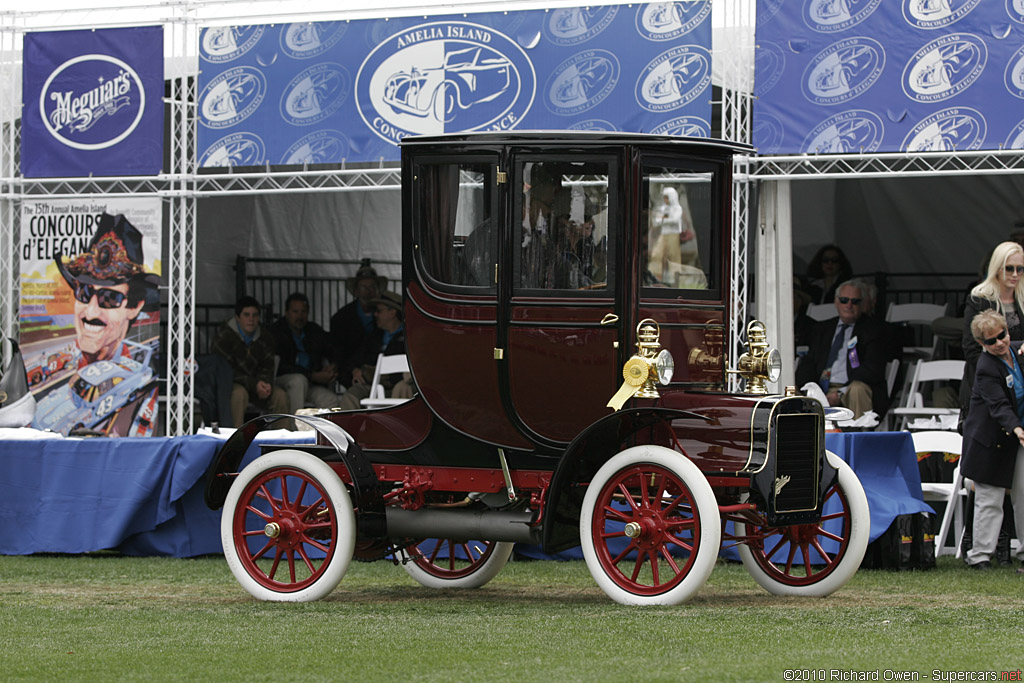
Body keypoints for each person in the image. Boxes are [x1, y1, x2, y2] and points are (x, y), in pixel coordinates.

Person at [959, 310, 1024, 571]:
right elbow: (998, 406)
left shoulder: (1018, 351)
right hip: (989, 439)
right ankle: (980, 556)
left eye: (1002, 335)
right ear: (981, 344)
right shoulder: (985, 367)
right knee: (990, 498)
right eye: (991, 341)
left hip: (1017, 436)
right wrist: (1018, 430)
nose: (999, 343)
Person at [55, 213, 159, 367]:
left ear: (134, 307)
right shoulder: (67, 363)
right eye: (84, 292)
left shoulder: (134, 381)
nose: (91, 312)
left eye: (109, 298)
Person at [795, 279, 889, 420]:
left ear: (862, 304)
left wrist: (840, 393)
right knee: (791, 392)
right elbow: (808, 363)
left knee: (857, 388)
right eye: (844, 300)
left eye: (855, 301)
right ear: (836, 302)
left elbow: (872, 370)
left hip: (850, 388)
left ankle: (856, 436)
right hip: (821, 386)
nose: (849, 305)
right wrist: (810, 390)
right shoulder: (822, 329)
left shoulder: (873, 330)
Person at [959, 242, 1024, 419]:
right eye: (1009, 268)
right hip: (985, 387)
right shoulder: (979, 299)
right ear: (997, 267)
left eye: (1020, 269)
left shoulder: (1022, 298)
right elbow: (970, 348)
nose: (1015, 274)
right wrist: (998, 372)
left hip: (1020, 387)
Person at [210, 296, 288, 427]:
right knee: (239, 394)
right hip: (232, 384)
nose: (251, 319)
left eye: (255, 315)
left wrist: (265, 384)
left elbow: (268, 366)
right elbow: (225, 371)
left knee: (280, 395)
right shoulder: (223, 338)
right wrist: (254, 384)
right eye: (246, 315)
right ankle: (235, 441)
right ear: (237, 317)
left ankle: (283, 442)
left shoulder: (266, 337)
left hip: (258, 386)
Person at [336, 291, 414, 410]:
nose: (375, 315)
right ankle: (349, 428)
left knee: (403, 389)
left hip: (397, 385)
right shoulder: (373, 336)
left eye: (379, 311)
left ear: (392, 312)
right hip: (371, 385)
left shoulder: (410, 336)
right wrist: (355, 369)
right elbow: (355, 359)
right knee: (351, 394)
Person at [271, 292, 343, 413]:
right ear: (286, 312)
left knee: (331, 400)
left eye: (303, 312)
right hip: (283, 382)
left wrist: (332, 366)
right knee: (298, 381)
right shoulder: (276, 332)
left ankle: (325, 432)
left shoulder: (313, 330)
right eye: (295, 311)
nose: (300, 316)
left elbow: (333, 348)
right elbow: (282, 367)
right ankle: (295, 430)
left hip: (310, 383)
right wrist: (311, 375)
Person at [330, 261, 387, 369]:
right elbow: (338, 353)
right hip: (350, 372)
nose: (368, 292)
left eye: (372, 287)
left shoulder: (386, 314)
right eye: (363, 287)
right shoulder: (341, 318)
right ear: (356, 291)